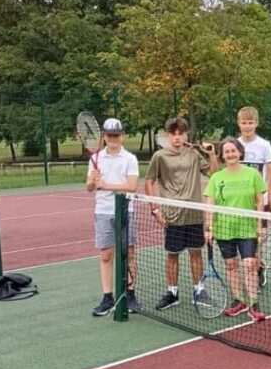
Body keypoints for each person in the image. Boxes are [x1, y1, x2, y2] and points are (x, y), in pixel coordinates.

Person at [145, 117, 219, 311]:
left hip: (194, 214)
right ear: (168, 135)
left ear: (186, 135)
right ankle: (172, 292)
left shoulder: (194, 154)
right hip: (172, 216)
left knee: (196, 253)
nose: (177, 137)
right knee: (172, 255)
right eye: (173, 133)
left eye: (181, 133)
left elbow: (214, 174)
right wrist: (155, 209)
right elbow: (149, 181)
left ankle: (199, 290)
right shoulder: (159, 156)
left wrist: (211, 154)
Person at [204, 137, 267, 322]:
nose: (231, 154)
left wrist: (259, 225)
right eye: (227, 152)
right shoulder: (216, 178)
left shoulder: (252, 174)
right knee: (231, 266)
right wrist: (208, 228)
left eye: (233, 150)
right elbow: (209, 204)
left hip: (247, 229)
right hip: (224, 229)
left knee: (249, 265)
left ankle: (254, 303)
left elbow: (259, 201)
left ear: (240, 152)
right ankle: (238, 300)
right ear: (222, 156)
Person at [86, 118, 141, 317]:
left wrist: (105, 185)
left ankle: (130, 295)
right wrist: (93, 182)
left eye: (116, 135)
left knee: (129, 254)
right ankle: (107, 297)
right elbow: (89, 187)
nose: (113, 138)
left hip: (126, 211)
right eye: (110, 135)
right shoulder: (96, 159)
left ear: (122, 136)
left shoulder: (130, 159)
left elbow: (132, 186)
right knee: (106, 255)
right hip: (103, 211)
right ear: (105, 137)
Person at [236, 106, 271, 288]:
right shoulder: (235, 145)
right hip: (238, 204)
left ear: (256, 123)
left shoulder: (264, 145)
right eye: (244, 123)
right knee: (240, 238)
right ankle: (250, 269)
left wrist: (269, 198)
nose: (247, 126)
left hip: (257, 204)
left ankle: (258, 268)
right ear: (238, 124)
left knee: (256, 239)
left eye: (250, 123)